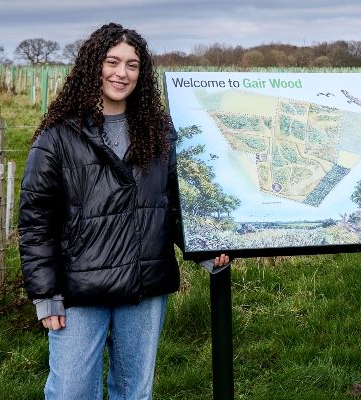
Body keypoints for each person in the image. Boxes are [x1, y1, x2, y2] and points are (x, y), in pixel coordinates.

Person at [18, 22, 229, 399]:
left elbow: (173, 203)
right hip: (79, 287)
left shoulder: (159, 131)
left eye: (133, 65)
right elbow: (36, 222)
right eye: (112, 62)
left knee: (135, 391)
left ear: (141, 73)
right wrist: (46, 294)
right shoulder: (58, 137)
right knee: (70, 392)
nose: (122, 73)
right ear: (92, 66)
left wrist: (204, 248)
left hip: (145, 284)